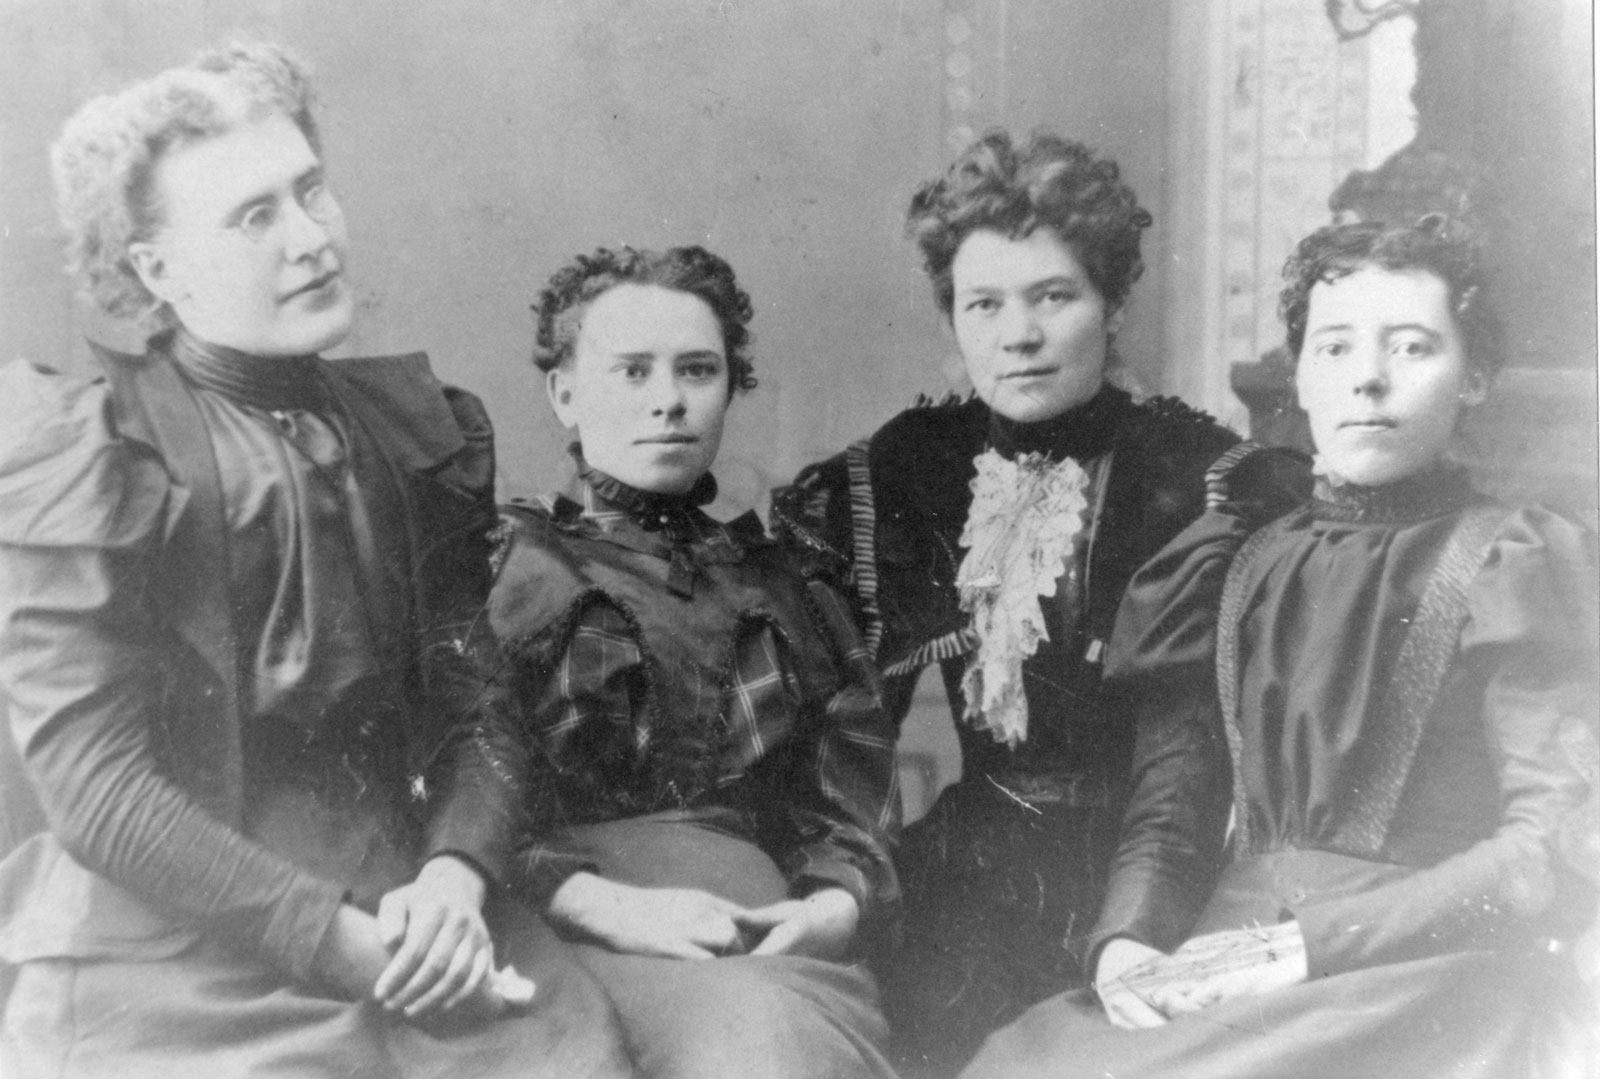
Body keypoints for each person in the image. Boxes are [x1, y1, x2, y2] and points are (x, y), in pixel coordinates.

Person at [0, 42, 629, 1078]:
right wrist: (337, 941)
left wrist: (457, 874)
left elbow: (477, 703)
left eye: (310, 191)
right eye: (255, 217)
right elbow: (96, 786)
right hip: (171, 948)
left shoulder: (411, 432)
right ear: (158, 271)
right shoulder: (91, 452)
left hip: (412, 914)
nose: (311, 239)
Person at [963, 216, 1599, 1079]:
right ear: (1298, 373)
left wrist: (1307, 948)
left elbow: (1553, 837)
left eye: (1412, 348)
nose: (1369, 380)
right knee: (1023, 1063)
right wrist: (1128, 944)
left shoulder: (1511, 557)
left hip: (1418, 974)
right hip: (1228, 955)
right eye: (1334, 349)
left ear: (1476, 375)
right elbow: (1172, 810)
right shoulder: (1235, 557)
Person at [773, 129, 1306, 1076]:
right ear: (955, 319)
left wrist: (1135, 928)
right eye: (985, 304)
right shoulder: (907, 466)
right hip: (968, 856)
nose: (1017, 334)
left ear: (1113, 303)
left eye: (1053, 296)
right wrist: (837, 886)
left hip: (1148, 864)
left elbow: (1185, 755)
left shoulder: (1189, 479)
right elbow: (846, 728)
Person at [485, 245, 903, 1079]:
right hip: (560, 933)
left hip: (758, 943)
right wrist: (599, 904)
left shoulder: (790, 583)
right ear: (564, 394)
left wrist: (829, 906)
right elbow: (452, 791)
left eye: (698, 370)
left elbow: (846, 811)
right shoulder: (504, 567)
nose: (670, 401)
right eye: (632, 371)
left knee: (778, 1042)